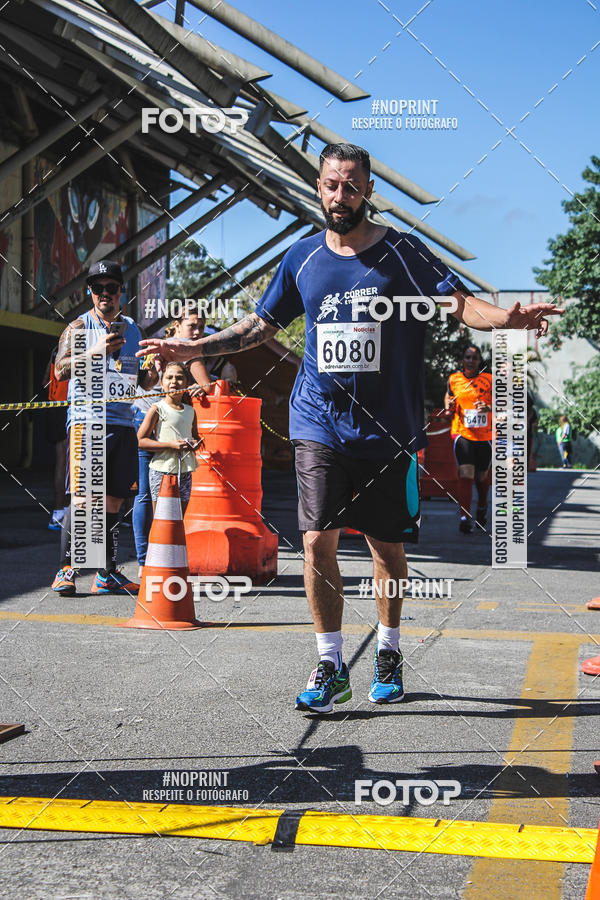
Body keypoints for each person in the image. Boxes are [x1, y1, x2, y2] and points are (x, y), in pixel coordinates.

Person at [137, 142, 563, 713]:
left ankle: (387, 650)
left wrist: (505, 319)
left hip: (387, 429)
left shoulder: (402, 253)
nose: (341, 196)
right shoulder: (303, 257)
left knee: (386, 547)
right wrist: (195, 347)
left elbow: (459, 304)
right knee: (316, 538)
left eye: (352, 186)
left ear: (368, 191)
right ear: (319, 188)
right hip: (318, 420)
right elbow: (258, 325)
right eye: (332, 185)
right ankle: (330, 663)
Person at [51, 259, 158, 597]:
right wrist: (95, 351)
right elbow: (59, 371)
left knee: (113, 502)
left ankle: (106, 573)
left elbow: (142, 381)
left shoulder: (134, 330)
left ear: (121, 291)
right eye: (98, 289)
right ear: (90, 293)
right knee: (85, 500)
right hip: (88, 421)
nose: (104, 294)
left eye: (111, 288)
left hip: (123, 422)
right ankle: (67, 569)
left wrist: (155, 370)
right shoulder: (78, 327)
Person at [137, 362, 202, 513]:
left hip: (185, 471)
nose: (174, 381)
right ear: (161, 383)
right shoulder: (157, 408)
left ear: (187, 383)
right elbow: (140, 441)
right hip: (162, 471)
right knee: (161, 517)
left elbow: (196, 437)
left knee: (179, 517)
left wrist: (196, 444)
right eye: (169, 377)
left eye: (179, 378)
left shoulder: (191, 411)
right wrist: (170, 445)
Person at [444, 345, 493, 534]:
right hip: (462, 432)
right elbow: (448, 398)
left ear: (479, 361)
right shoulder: (454, 379)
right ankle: (464, 517)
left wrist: (488, 408)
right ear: (462, 360)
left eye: (474, 358)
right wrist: (448, 405)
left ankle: (482, 507)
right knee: (466, 473)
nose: (471, 361)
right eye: (467, 357)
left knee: (482, 476)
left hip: (485, 436)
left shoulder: (490, 379)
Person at [44, 345, 69, 530]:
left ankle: (60, 511)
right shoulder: (78, 348)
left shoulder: (55, 350)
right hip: (68, 406)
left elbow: (45, 381)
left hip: (55, 406)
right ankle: (62, 511)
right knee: (67, 461)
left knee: (63, 461)